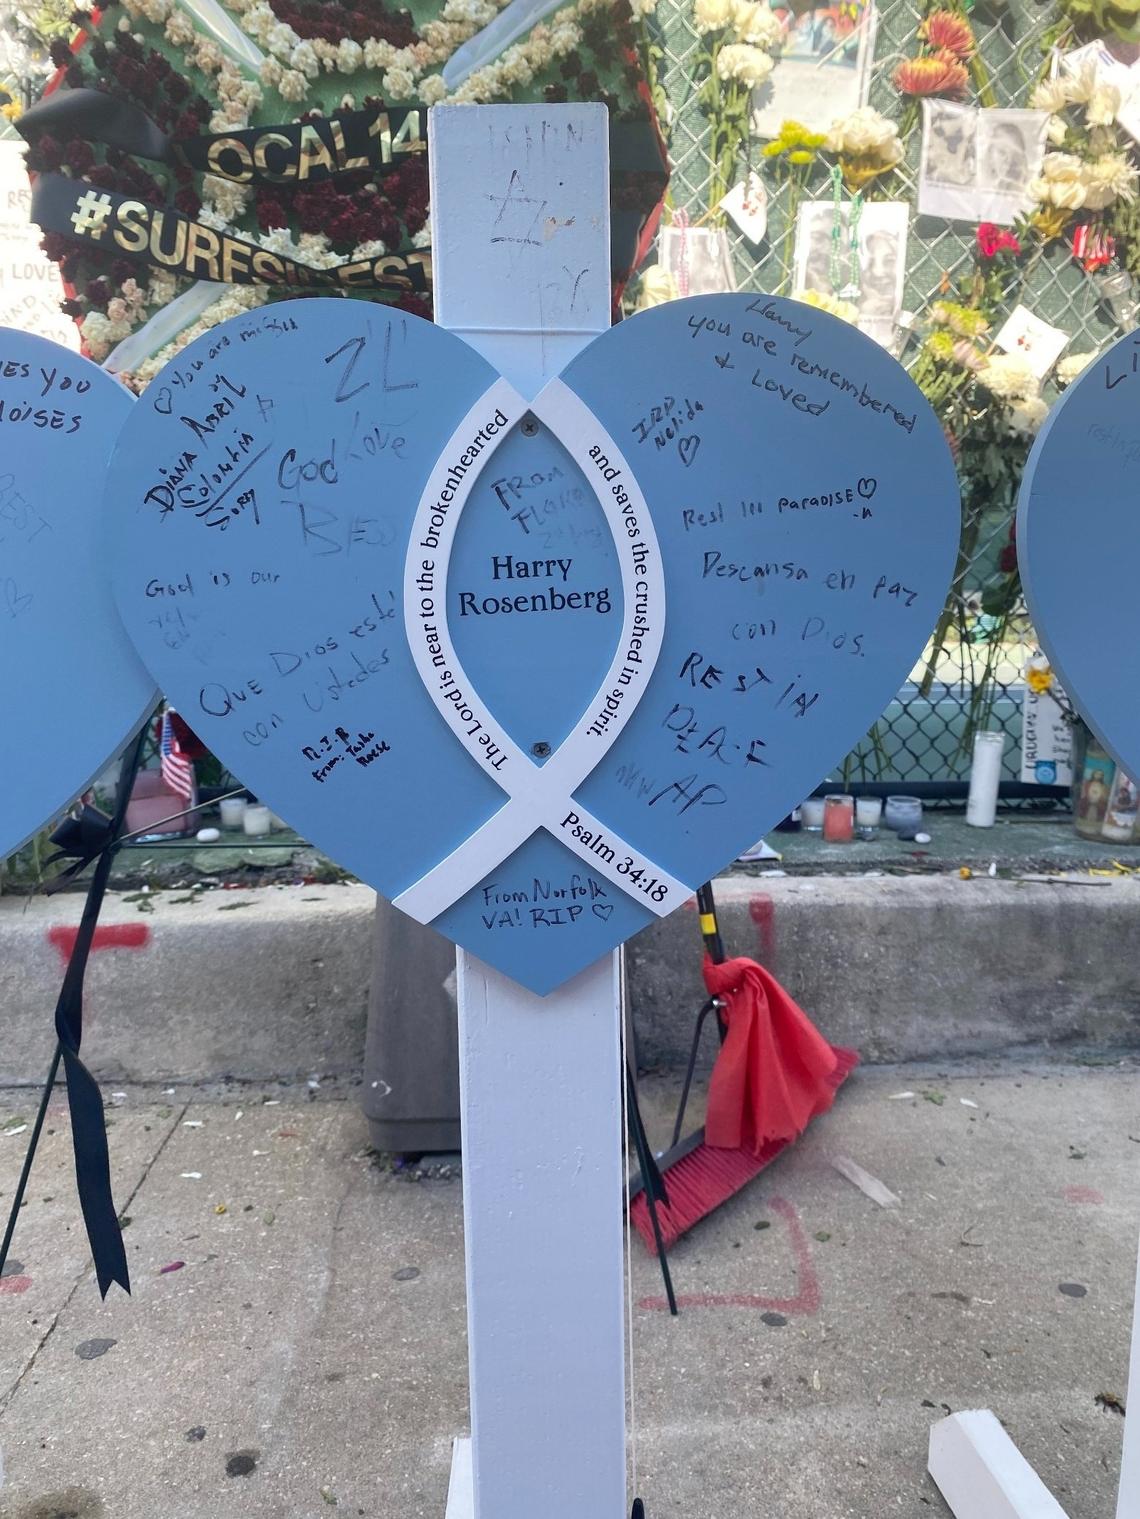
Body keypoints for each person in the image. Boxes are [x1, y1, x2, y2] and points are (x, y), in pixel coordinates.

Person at [981, 119, 1030, 193]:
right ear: (990, 152)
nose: (1008, 160)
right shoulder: (979, 184)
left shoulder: (1023, 192)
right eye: (1002, 152)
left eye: (1014, 156)